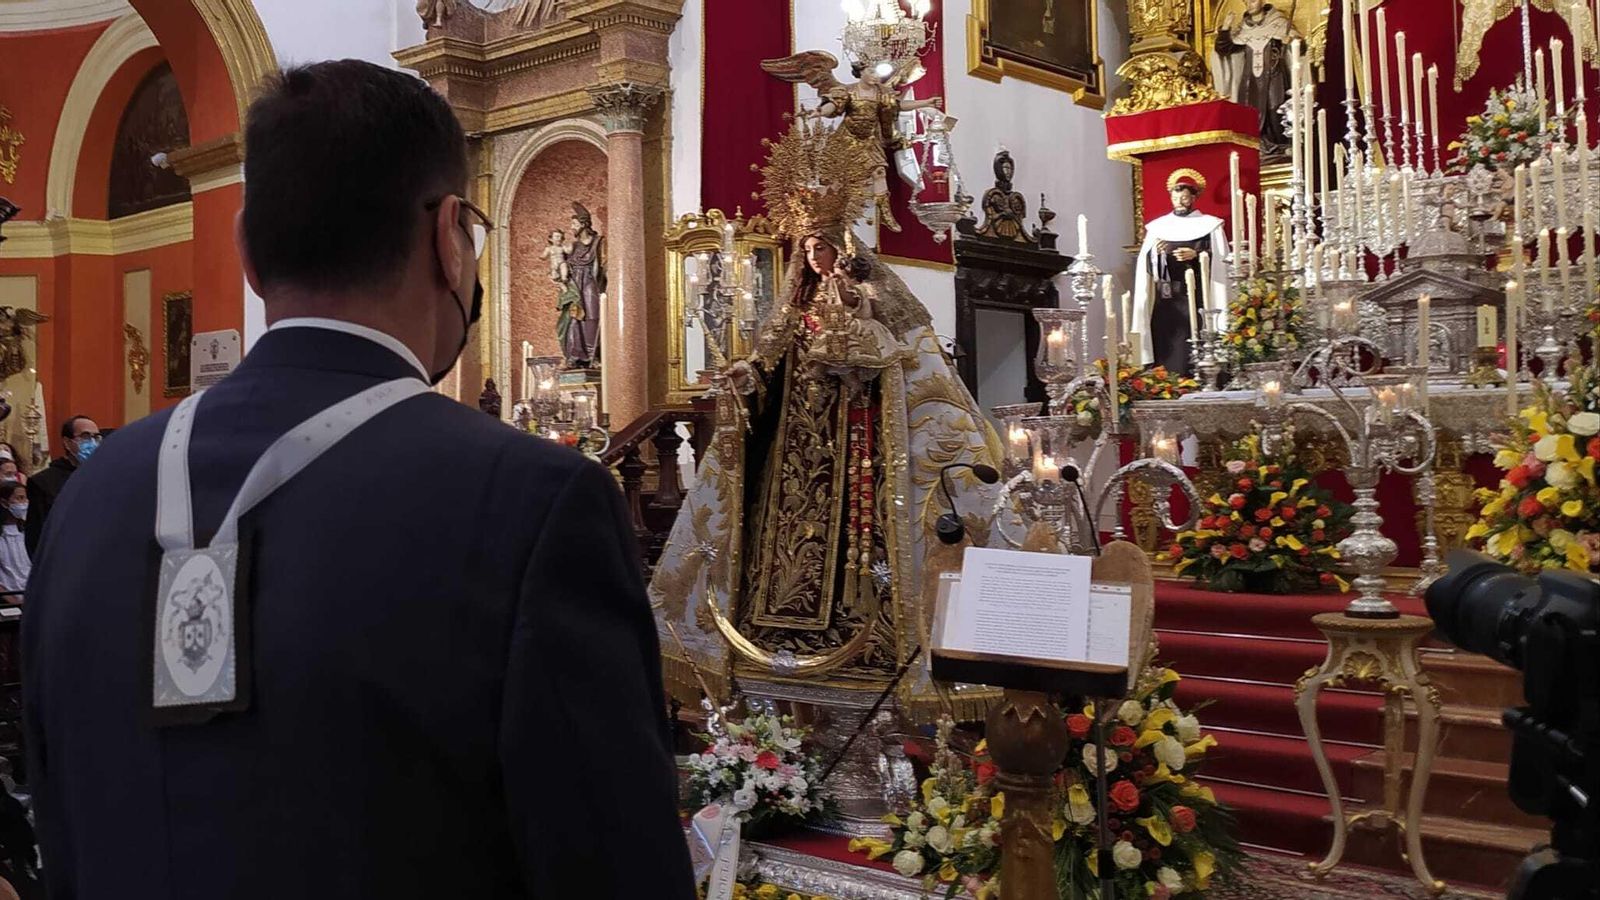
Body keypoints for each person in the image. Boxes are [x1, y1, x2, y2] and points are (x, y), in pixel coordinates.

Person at [22, 60, 692, 898]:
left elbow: (58, 815)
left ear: (249, 253)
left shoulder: (90, 493)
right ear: (451, 237)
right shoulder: (533, 505)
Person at [1132, 170, 1229, 375]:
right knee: (1166, 340)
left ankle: (1204, 378)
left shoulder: (1209, 225)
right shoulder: (1159, 227)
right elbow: (1147, 267)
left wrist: (1196, 254)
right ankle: (1167, 382)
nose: (1179, 201)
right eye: (1175, 197)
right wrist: (1156, 255)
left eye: (1184, 197)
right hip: (1168, 298)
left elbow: (1221, 262)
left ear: (1193, 198)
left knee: (1196, 336)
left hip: (1198, 296)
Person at [1210, 0, 1299, 154]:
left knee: (1276, 108)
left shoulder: (1278, 23)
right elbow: (1223, 48)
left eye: (1252, 1)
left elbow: (1299, 48)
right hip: (1249, 80)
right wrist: (1225, 28)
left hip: (1274, 76)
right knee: (1251, 112)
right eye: (1246, 2)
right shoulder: (1243, 29)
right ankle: (1259, 146)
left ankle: (1281, 145)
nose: (1249, 5)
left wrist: (1290, 42)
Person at [23, 416, 98, 557]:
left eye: (96, 437)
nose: (92, 442)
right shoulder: (44, 482)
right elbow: (36, 537)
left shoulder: (102, 476)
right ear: (67, 442)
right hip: (63, 559)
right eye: (85, 436)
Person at [0, 482, 26, 598]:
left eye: (26, 498)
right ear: (4, 503)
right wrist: (16, 602)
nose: (25, 503)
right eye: (20, 498)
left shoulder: (28, 532)